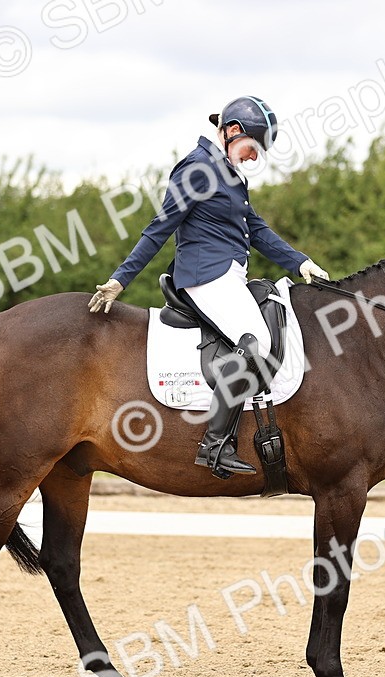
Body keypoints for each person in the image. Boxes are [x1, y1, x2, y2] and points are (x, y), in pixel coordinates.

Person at [88, 96, 329, 477]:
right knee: (258, 343)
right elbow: (160, 227)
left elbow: (257, 230)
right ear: (233, 131)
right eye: (253, 147)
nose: (254, 157)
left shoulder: (230, 173)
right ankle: (215, 444)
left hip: (229, 275)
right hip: (205, 276)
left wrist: (301, 262)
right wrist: (122, 278)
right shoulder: (198, 169)